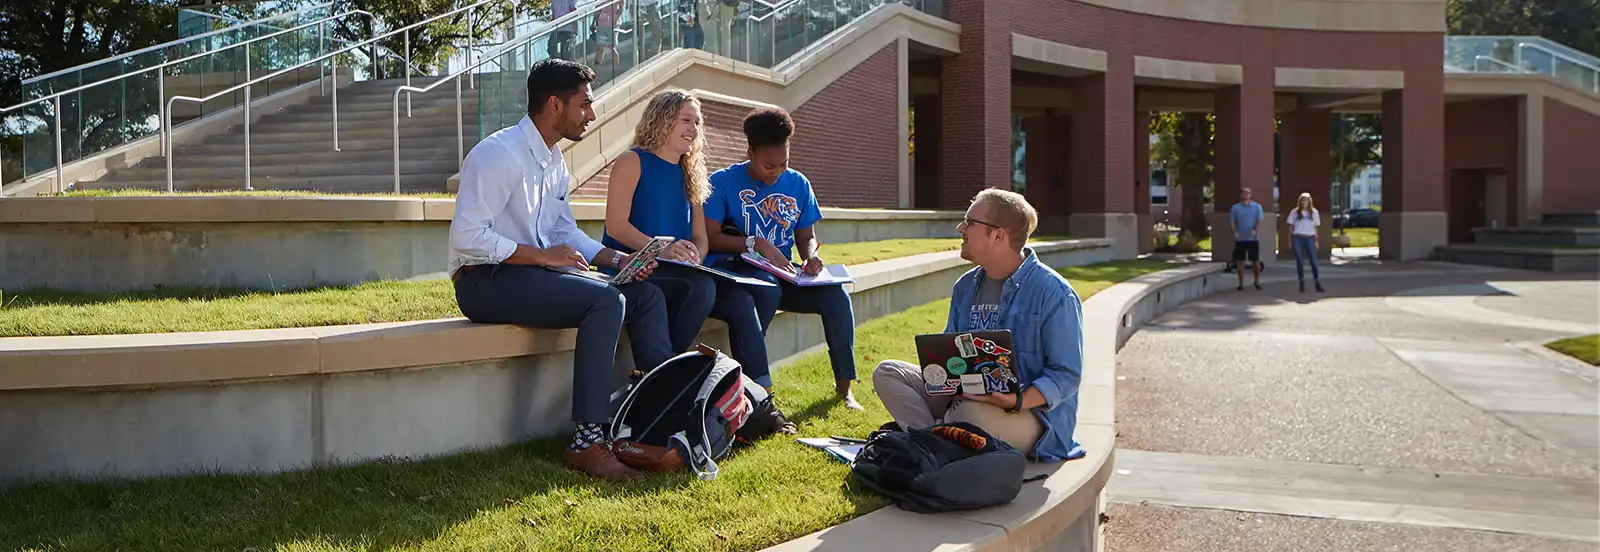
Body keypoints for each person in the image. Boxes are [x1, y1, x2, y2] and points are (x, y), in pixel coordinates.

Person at [449, 58, 672, 482]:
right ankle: (587, 441)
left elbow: (563, 231)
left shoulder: (553, 161)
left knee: (646, 296)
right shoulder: (497, 154)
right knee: (606, 301)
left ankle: (656, 421)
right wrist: (541, 256)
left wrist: (618, 259)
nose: (591, 114)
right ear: (554, 104)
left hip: (531, 276)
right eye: (584, 105)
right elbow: (468, 238)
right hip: (483, 282)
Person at [871, 188, 1086, 462]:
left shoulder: (1054, 293)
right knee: (888, 373)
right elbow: (950, 352)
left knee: (968, 413)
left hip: (1029, 414)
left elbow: (1066, 374)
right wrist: (943, 375)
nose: (961, 228)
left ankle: (931, 439)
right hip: (967, 396)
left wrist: (1015, 400)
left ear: (998, 234)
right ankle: (938, 442)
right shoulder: (965, 286)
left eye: (970, 222)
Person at [702, 107, 862, 410]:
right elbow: (710, 238)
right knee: (767, 288)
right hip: (738, 272)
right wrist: (756, 243)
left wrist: (812, 257)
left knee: (836, 297)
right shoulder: (722, 182)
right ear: (750, 152)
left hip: (785, 274)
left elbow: (806, 236)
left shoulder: (798, 183)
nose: (776, 172)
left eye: (783, 164)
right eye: (768, 165)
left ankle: (845, 388)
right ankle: (752, 391)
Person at [601, 90, 717, 354]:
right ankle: (665, 371)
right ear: (662, 119)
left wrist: (694, 259)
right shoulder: (632, 161)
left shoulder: (692, 172)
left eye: (698, 123)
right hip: (633, 266)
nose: (694, 129)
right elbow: (615, 226)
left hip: (676, 270)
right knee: (699, 288)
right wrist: (661, 250)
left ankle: (660, 370)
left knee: (709, 288)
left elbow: (701, 238)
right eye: (686, 120)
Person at [1287, 192, 1325, 293]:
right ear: (1300, 201)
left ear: (1310, 202)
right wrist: (1289, 240)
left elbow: (1315, 227)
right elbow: (1290, 227)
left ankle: (1317, 282)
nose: (1305, 202)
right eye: (1303, 200)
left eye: (1307, 200)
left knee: (1313, 261)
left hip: (1310, 238)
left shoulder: (1314, 212)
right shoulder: (1294, 212)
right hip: (1297, 237)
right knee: (1299, 261)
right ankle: (1301, 282)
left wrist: (1316, 240)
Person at [1229, 187, 1265, 291]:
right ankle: (1241, 284)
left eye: (1248, 193)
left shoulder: (1257, 207)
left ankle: (1257, 281)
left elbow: (1259, 220)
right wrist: (1235, 232)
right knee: (1241, 262)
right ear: (1241, 195)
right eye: (1244, 193)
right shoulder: (1235, 208)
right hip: (1241, 239)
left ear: (1250, 194)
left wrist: (1255, 230)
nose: (1246, 194)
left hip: (1253, 239)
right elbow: (1232, 222)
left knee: (1255, 262)